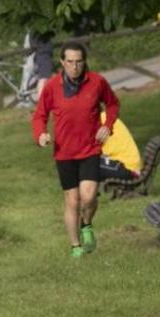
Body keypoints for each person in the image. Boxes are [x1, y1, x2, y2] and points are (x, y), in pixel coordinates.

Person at [31, 42, 120, 258]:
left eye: (79, 61)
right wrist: (40, 134)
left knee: (88, 197)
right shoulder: (52, 86)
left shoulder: (97, 82)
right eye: (70, 62)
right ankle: (75, 246)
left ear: (84, 62)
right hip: (64, 152)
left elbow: (113, 104)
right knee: (72, 200)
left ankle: (86, 224)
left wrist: (107, 126)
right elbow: (39, 115)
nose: (75, 67)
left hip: (89, 149)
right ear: (62, 62)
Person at [99, 112, 140, 181]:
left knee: (87, 165)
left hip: (125, 167)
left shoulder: (100, 121)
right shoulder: (105, 117)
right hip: (126, 165)